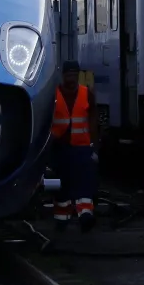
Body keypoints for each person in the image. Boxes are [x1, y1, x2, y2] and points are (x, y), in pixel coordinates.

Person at [49, 60, 98, 231]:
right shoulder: (54, 95)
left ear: (78, 75)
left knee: (84, 182)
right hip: (59, 147)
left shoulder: (86, 94)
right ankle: (62, 218)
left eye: (74, 74)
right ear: (63, 76)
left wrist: (94, 145)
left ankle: (85, 215)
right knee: (60, 184)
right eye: (68, 74)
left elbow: (93, 120)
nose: (71, 77)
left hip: (81, 147)